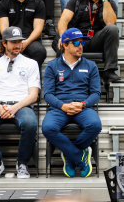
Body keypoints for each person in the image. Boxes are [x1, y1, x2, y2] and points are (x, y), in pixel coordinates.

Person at [0, 26, 40, 179]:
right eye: (13, 42)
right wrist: (0, 107)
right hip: (0, 105)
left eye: (19, 41)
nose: (18, 45)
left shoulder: (31, 64)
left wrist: (15, 107)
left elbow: (34, 95)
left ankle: (22, 163)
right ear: (4, 43)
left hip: (22, 104)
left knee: (30, 123)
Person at [42, 28, 102, 178]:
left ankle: (70, 157)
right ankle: (80, 157)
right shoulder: (52, 65)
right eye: (76, 43)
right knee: (48, 128)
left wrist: (82, 104)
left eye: (81, 43)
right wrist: (62, 105)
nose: (80, 46)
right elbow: (47, 94)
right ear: (65, 45)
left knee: (95, 125)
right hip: (59, 107)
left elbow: (96, 93)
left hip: (82, 107)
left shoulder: (91, 65)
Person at [57, 0, 120, 84]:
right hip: (78, 39)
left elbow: (111, 23)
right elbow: (63, 21)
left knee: (113, 29)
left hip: (97, 39)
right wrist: (62, 36)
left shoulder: (109, 3)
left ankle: (109, 71)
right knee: (61, 40)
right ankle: (63, 75)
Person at [0, 0, 47, 68]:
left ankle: (32, 79)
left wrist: (26, 42)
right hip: (10, 39)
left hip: (30, 40)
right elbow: (3, 28)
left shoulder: (38, 2)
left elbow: (38, 28)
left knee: (40, 51)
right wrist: (13, 42)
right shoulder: (4, 2)